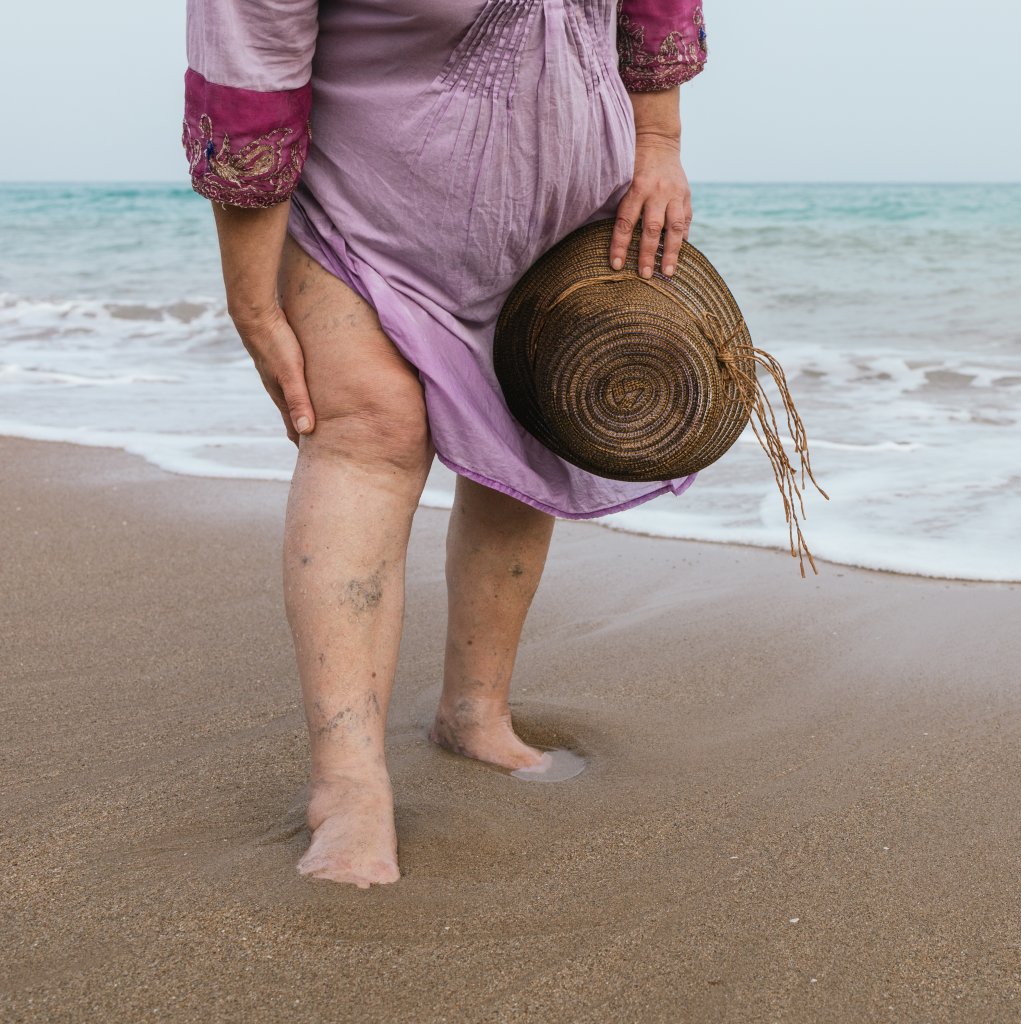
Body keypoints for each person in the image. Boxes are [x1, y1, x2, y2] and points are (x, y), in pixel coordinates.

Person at [183, 0, 708, 889]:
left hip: (556, 219)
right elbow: (252, 54)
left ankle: (474, 711)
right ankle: (347, 786)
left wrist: (658, 144)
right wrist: (253, 295)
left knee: (522, 428)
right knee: (369, 432)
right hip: (364, 208)